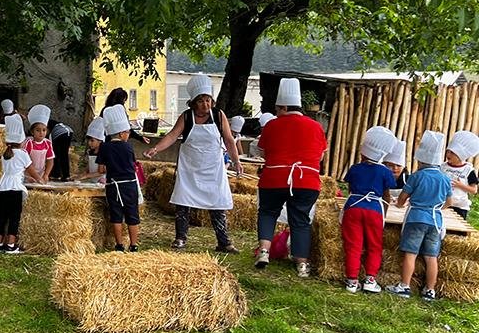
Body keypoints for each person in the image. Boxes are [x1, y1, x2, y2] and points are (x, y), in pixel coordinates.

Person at [144, 74, 242, 253]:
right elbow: (172, 135)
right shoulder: (187, 117)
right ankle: (180, 238)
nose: (205, 104)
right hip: (190, 168)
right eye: (201, 101)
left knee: (217, 203)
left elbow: (229, 140)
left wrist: (236, 161)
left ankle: (224, 242)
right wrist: (156, 148)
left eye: (208, 100)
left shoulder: (219, 116)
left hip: (213, 169)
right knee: (183, 202)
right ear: (194, 102)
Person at [253, 78, 328, 277]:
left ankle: (264, 252)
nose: (277, 113)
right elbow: (321, 156)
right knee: (301, 220)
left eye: (278, 109)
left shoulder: (272, 126)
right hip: (306, 180)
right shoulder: (316, 127)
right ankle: (301, 264)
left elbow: (262, 152)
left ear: (284, 107)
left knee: (267, 212)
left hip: (274, 178)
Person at [387, 131, 453, 302]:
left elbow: (402, 199)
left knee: (411, 253)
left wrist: (399, 204)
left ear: (421, 160)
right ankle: (430, 290)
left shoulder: (417, 176)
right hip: (435, 221)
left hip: (416, 218)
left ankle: (404, 286)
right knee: (431, 257)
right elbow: (449, 202)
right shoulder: (445, 179)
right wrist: (437, 207)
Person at [341, 126, 398, 294]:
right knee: (374, 246)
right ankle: (370, 280)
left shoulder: (355, 168)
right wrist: (383, 215)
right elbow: (386, 196)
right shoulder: (385, 172)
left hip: (354, 208)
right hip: (374, 210)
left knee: (353, 245)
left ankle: (352, 281)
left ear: (363, 153)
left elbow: (351, 191)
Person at [0, 114, 37, 253]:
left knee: (2, 216)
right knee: (14, 217)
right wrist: (40, 179)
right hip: (15, 189)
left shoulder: (5, 154)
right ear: (21, 140)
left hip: (2, 188)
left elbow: (12, 171)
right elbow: (32, 171)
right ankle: (11, 245)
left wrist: (25, 177)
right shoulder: (23, 154)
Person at [99, 104, 141, 251]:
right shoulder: (128, 147)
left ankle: (119, 245)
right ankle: (134, 245)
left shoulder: (104, 147)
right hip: (129, 185)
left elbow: (101, 169)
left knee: (116, 215)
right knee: (132, 215)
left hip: (113, 185)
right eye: (128, 132)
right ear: (122, 133)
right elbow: (132, 165)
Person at [442, 130, 479, 219]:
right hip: (442, 204)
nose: (448, 154)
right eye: (448, 151)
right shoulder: (443, 167)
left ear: (461, 155)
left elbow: (474, 190)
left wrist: (460, 185)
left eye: (452, 153)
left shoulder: (468, 170)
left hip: (459, 207)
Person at [23, 104, 55, 183]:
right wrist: (33, 177)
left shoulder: (47, 143)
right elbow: (25, 162)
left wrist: (46, 174)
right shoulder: (29, 143)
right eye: (38, 130)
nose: (41, 133)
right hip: (28, 174)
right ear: (32, 131)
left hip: (40, 175)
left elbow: (50, 160)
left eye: (44, 130)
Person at [48, 117, 74, 181]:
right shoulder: (57, 124)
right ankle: (66, 175)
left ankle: (55, 174)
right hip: (69, 131)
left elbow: (49, 140)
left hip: (60, 134)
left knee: (56, 155)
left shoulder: (46, 124)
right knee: (64, 154)